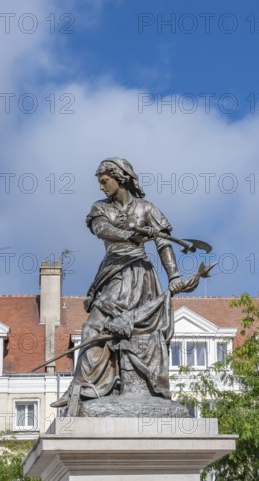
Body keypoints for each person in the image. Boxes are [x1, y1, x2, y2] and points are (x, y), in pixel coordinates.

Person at [52, 157, 190, 409]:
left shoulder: (148, 209)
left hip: (141, 275)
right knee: (94, 327)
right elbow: (101, 229)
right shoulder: (100, 208)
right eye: (100, 182)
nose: (101, 187)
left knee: (140, 331)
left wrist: (174, 276)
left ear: (121, 178)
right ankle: (84, 388)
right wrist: (130, 234)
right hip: (113, 272)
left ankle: (136, 387)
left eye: (105, 181)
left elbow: (163, 244)